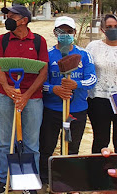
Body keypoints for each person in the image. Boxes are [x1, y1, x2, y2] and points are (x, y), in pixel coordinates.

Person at [0, 4, 48, 194]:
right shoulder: (3, 40)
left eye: (12, 16)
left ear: (24, 20)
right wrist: (6, 87)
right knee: (5, 141)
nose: (7, 18)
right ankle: (4, 179)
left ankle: (29, 183)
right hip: (6, 96)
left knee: (31, 143)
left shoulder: (39, 41)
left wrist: (26, 95)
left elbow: (43, 71)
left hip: (32, 98)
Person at [39, 16, 96, 185]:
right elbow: (40, 82)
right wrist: (53, 89)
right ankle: (45, 179)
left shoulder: (84, 54)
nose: (65, 35)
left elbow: (92, 79)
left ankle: (68, 179)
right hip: (52, 109)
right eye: (60, 31)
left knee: (72, 147)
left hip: (76, 110)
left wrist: (75, 84)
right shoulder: (47, 55)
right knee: (47, 146)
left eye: (69, 31)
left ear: (75, 32)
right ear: (55, 33)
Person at [87, 14, 117, 153]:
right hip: (98, 99)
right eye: (109, 27)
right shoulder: (93, 47)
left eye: (115, 27)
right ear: (102, 29)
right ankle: (97, 172)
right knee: (100, 139)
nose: (112, 29)